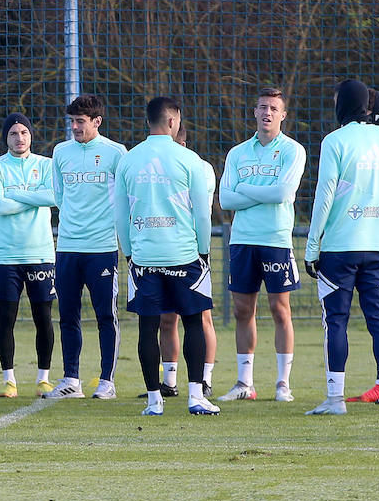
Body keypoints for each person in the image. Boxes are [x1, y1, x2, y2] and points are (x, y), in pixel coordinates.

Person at [303, 80, 379, 415]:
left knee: (336, 319)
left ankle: (335, 400)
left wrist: (311, 246)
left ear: (343, 104)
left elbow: (324, 195)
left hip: (339, 247)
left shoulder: (335, 141)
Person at [114, 97, 219, 416]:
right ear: (173, 122)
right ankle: (196, 397)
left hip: (144, 257)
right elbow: (203, 213)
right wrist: (203, 250)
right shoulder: (190, 160)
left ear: (150, 121)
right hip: (185, 255)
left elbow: (120, 215)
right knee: (193, 323)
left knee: (148, 328)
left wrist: (130, 253)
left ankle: (154, 401)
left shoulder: (129, 160)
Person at [216, 88, 305, 403]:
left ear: (283, 115)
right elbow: (226, 199)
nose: (267, 113)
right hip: (242, 240)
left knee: (280, 309)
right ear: (254, 112)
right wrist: (261, 191)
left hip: (275, 239)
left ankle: (283, 384)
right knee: (243, 310)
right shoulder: (238, 153)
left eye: (274, 108)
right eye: (262, 107)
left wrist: (246, 189)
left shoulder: (293, 150)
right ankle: (245, 384)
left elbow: (282, 193)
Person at [46, 94, 126, 399]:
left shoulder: (116, 153)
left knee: (106, 315)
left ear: (97, 122)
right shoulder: (61, 152)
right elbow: (59, 195)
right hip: (67, 247)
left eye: (81, 121)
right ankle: (71, 379)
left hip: (102, 248)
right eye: (72, 121)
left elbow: (123, 198)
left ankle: (107, 381)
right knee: (68, 315)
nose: (75, 127)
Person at [0, 113, 57, 398]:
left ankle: (43, 379)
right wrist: (33, 195)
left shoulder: (46, 165)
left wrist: (17, 195)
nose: (19, 138)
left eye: (24, 132)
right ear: (6, 137)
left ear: (31, 135)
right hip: (6, 255)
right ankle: (9, 381)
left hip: (40, 253)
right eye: (13, 133)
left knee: (44, 318)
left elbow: (53, 197)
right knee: (6, 318)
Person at [159, 123, 221, 397]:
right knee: (166, 318)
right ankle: (169, 382)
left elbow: (197, 209)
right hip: (165, 249)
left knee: (201, 316)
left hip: (191, 251)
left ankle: (204, 379)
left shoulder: (200, 168)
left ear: (181, 145)